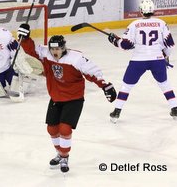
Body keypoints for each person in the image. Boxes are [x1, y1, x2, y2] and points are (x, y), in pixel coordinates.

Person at [17, 26, 117, 173]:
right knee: (51, 129)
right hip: (56, 98)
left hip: (74, 99)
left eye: (57, 49)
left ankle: (64, 156)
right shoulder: (46, 54)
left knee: (64, 129)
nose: (54, 52)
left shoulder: (76, 58)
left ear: (64, 48)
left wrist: (104, 85)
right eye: (52, 49)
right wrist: (25, 38)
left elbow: (92, 72)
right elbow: (31, 52)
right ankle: (60, 153)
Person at [107, 0, 177, 123]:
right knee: (164, 84)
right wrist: (166, 57)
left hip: (138, 61)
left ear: (141, 11)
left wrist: (115, 40)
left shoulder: (134, 24)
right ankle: (175, 110)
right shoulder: (161, 23)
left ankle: (116, 113)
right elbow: (169, 45)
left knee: (126, 86)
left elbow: (126, 45)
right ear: (153, 10)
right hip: (157, 60)